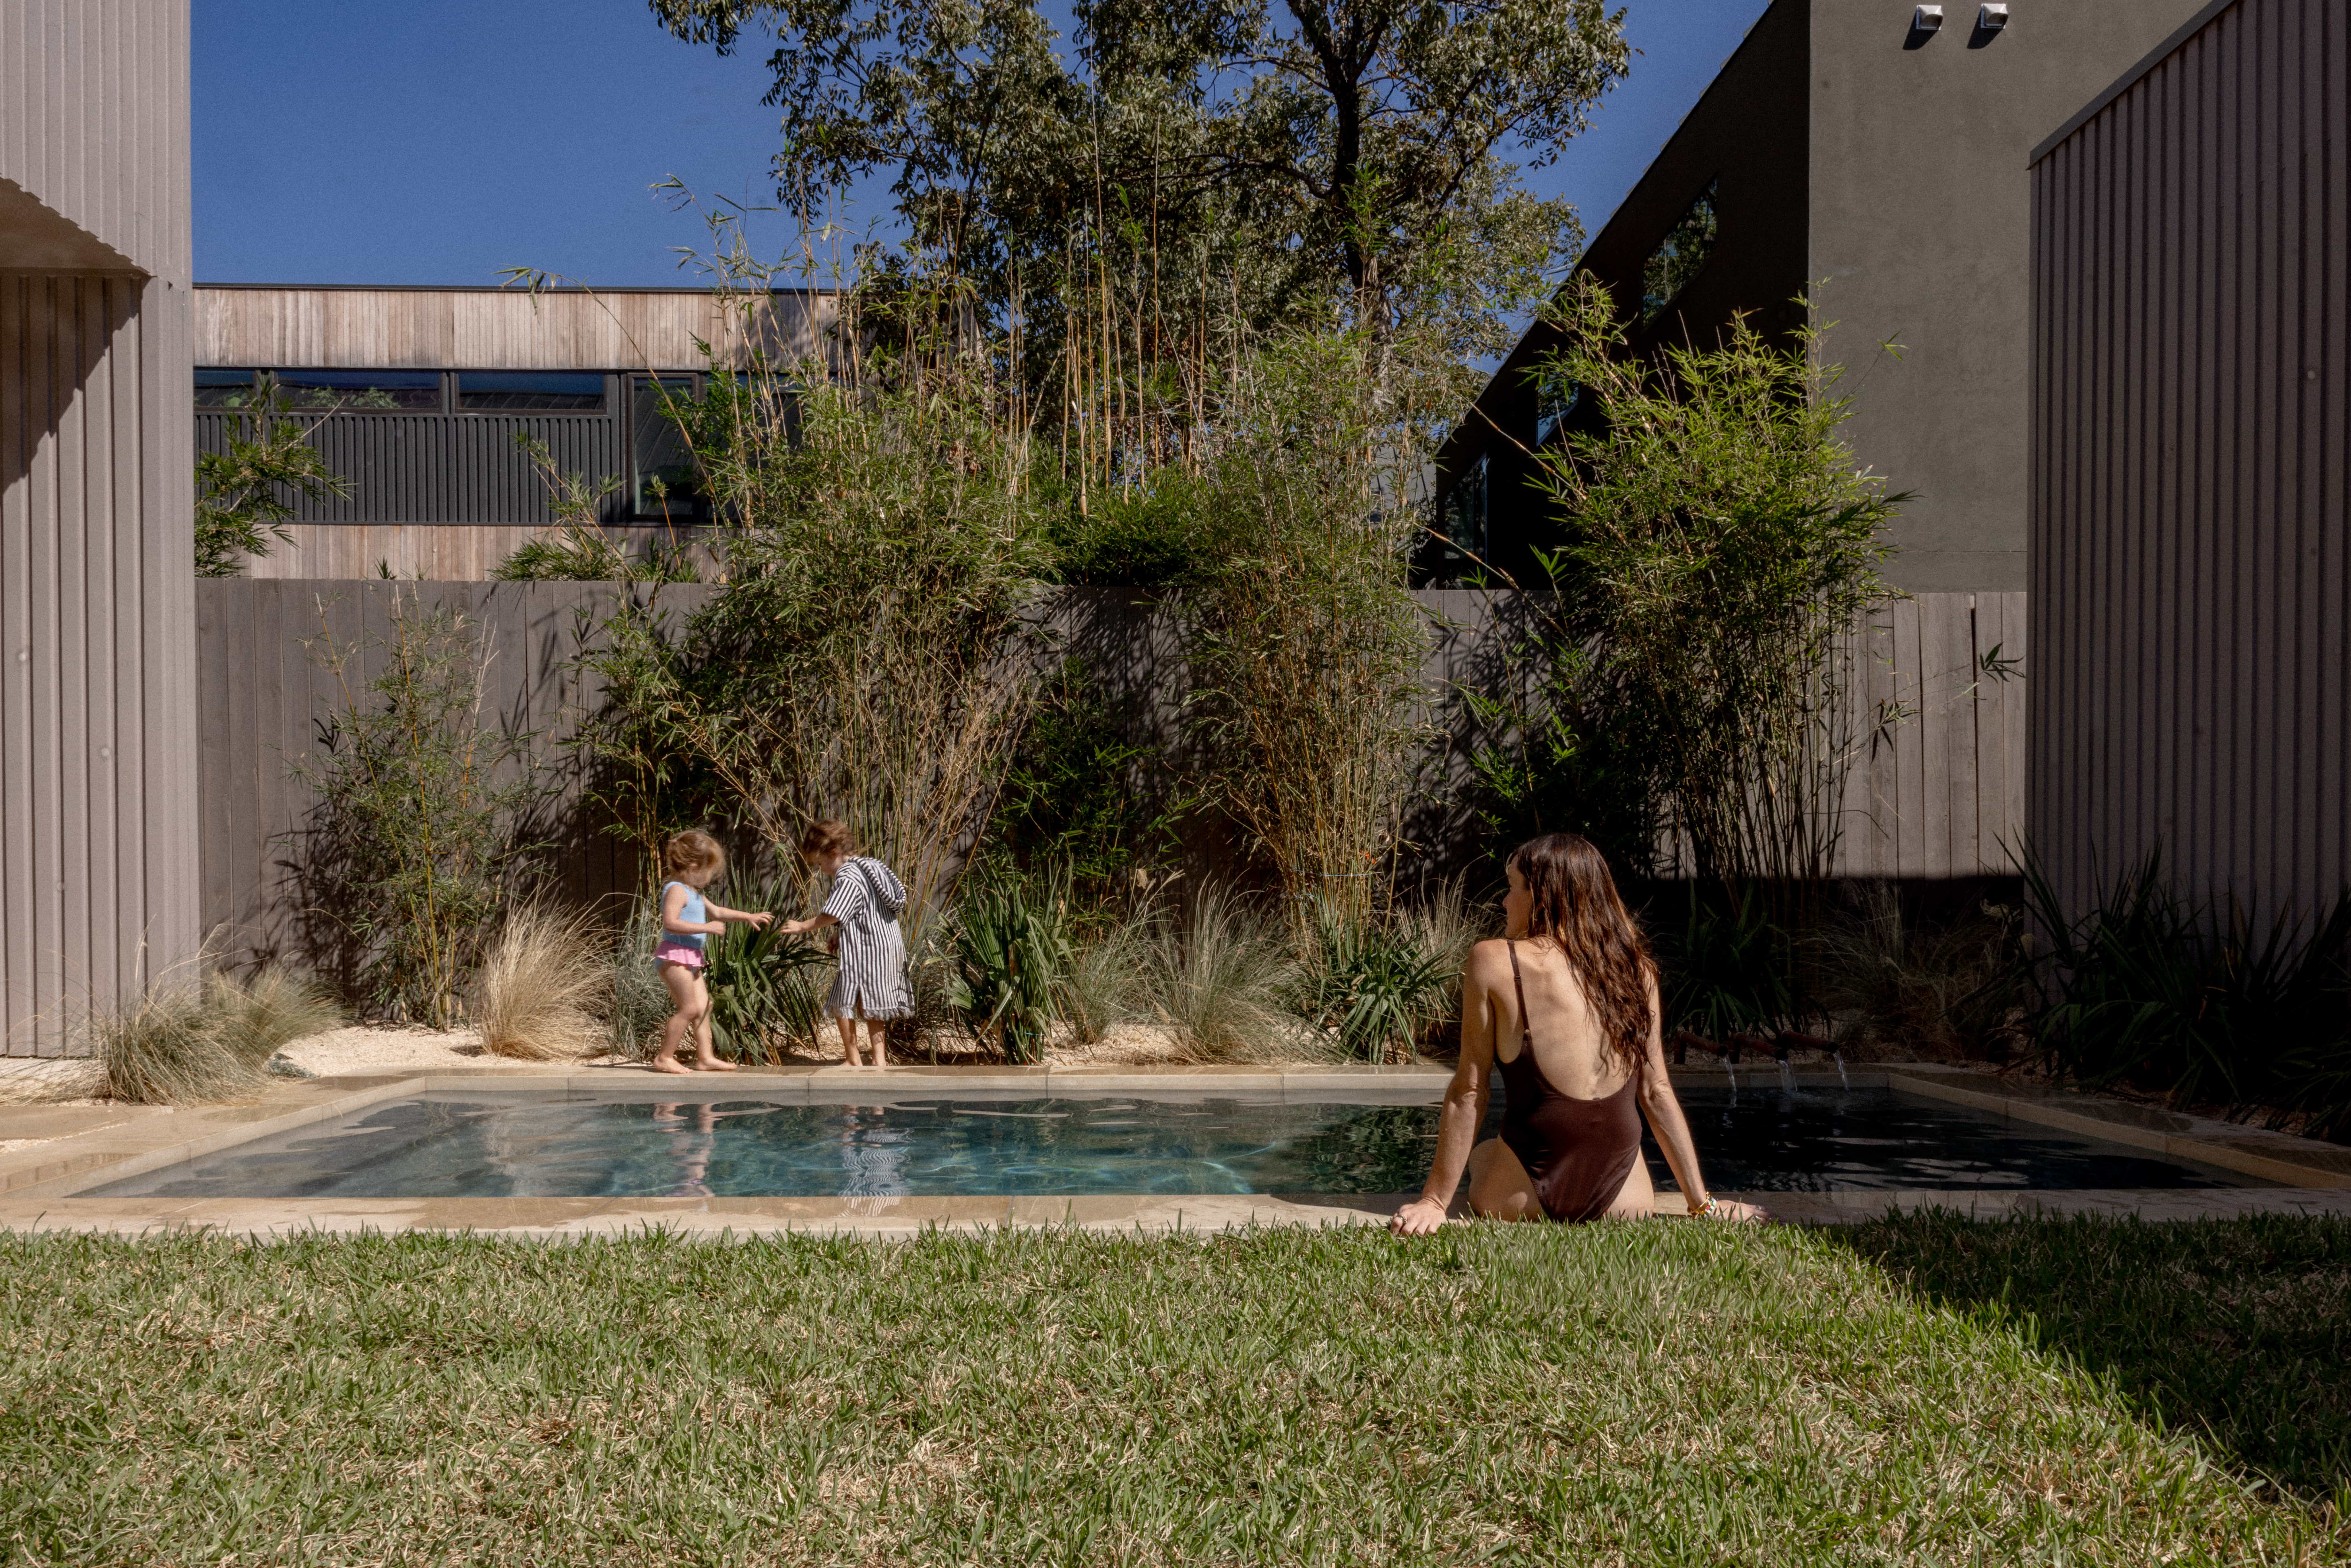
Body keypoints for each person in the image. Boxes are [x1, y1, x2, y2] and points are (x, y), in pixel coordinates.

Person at [1391, 833, 1766, 1234]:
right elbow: (1657, 1092)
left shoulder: (1495, 961)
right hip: (1626, 1201)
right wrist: (1702, 1204)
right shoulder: (1638, 972)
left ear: (1543, 897)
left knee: (1484, 1153)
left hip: (1523, 1198)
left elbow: (1470, 1090)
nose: (1504, 901)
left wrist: (1433, 1202)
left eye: (1512, 887)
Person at [778, 820, 912, 1068]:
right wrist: (840, 935)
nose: (822, 870)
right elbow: (863, 909)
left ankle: (853, 1060)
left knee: (841, 1002)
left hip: (866, 951)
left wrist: (802, 926)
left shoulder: (848, 875)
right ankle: (879, 1060)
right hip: (886, 946)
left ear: (834, 853)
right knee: (872, 1003)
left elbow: (835, 913)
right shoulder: (871, 867)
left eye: (820, 864)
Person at [649, 829, 772, 1076]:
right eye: (709, 871)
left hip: (689, 958)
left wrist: (748, 916)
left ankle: (705, 1058)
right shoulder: (676, 890)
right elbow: (670, 923)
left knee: (705, 1007)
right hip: (674, 957)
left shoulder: (695, 892)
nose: (711, 877)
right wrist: (706, 928)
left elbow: (718, 912)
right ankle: (664, 1057)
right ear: (694, 867)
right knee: (690, 1009)